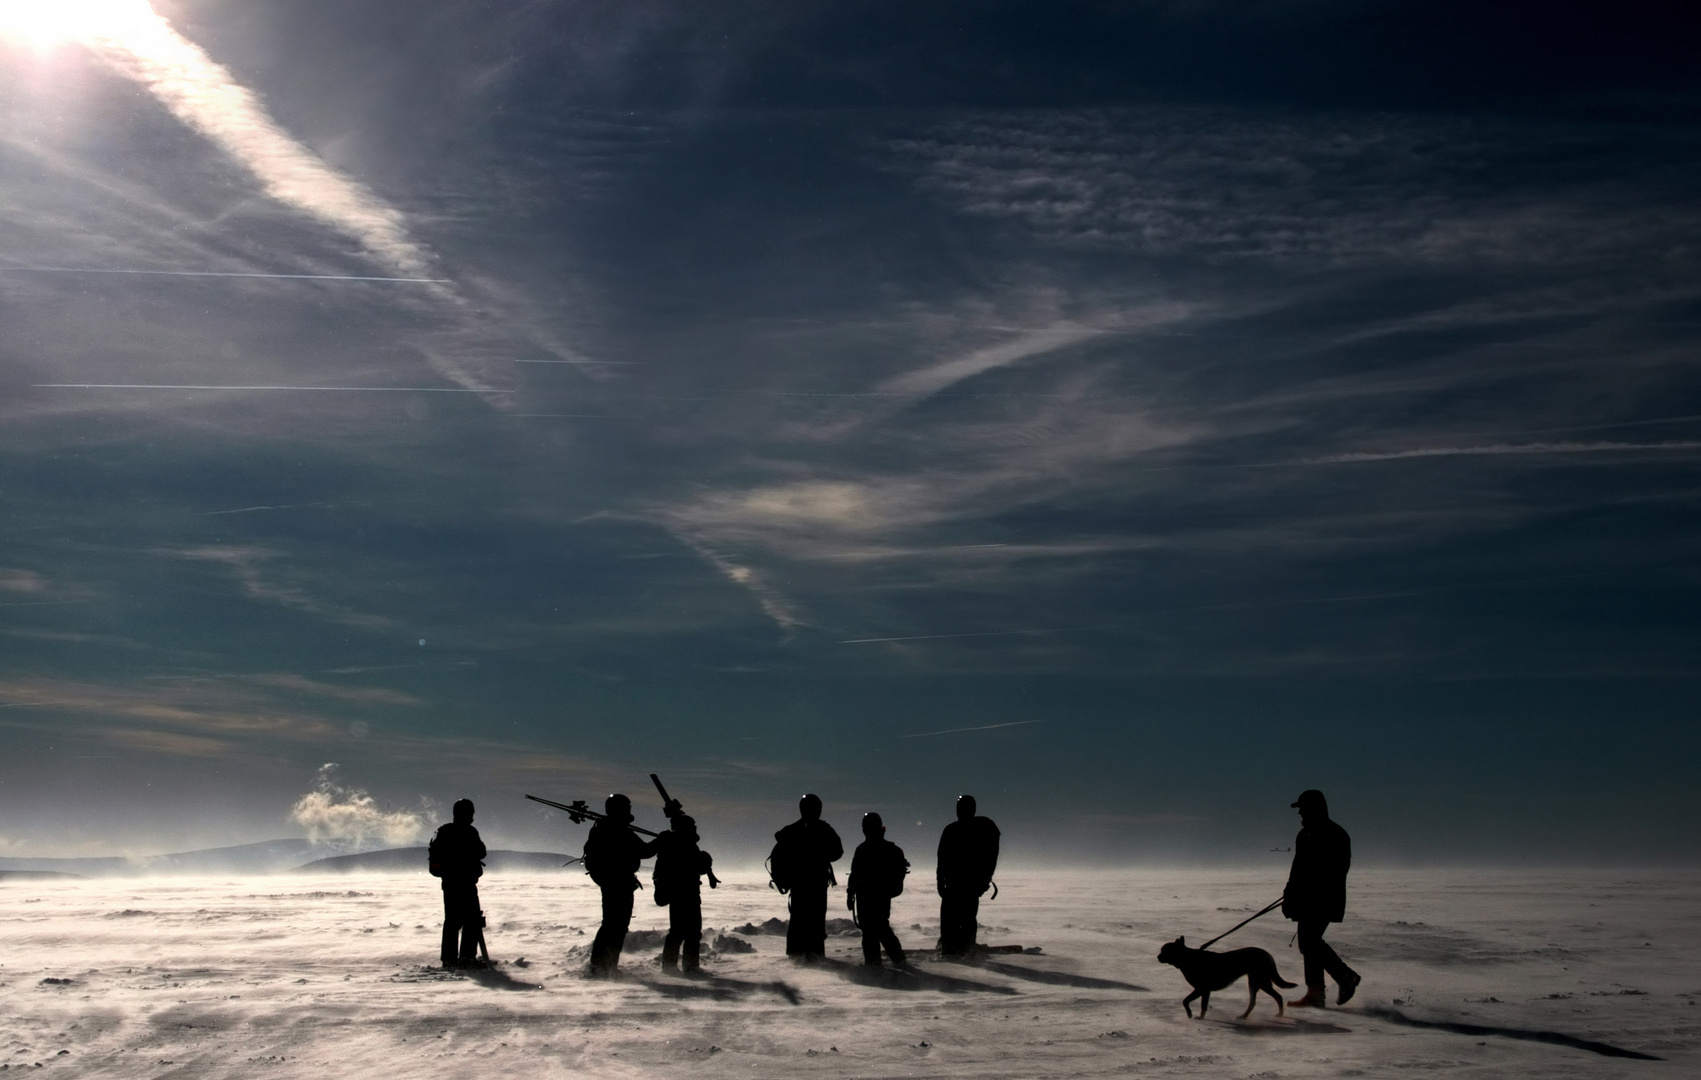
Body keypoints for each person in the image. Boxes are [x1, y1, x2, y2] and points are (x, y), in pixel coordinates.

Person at [1282, 789, 1361, 1007]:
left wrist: (1308, 890)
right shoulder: (1304, 835)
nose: (1300, 814)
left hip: (1325, 900)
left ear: (1315, 809)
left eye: (1303, 809)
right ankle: (1317, 993)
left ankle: (1344, 978)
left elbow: (1338, 871)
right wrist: (1289, 895)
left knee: (1310, 942)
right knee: (1308, 943)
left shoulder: (1335, 834)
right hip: (1306, 900)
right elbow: (1296, 870)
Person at [583, 793, 659, 976]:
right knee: (615, 926)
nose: (629, 810)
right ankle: (605, 967)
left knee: (611, 925)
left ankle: (602, 966)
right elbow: (646, 851)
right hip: (619, 883)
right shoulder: (621, 832)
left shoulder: (604, 828)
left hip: (611, 882)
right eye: (627, 807)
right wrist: (661, 841)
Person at [769, 793, 843, 960]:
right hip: (815, 884)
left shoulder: (791, 830)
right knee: (815, 921)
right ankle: (814, 955)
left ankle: (796, 956)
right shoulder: (823, 829)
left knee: (798, 920)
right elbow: (837, 852)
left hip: (799, 885)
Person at [936, 794, 1000, 957]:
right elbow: (942, 859)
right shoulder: (953, 830)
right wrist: (940, 883)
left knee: (964, 919)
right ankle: (955, 947)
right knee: (958, 919)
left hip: (966, 884)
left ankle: (961, 948)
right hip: (959, 884)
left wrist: (984, 880)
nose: (960, 811)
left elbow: (941, 860)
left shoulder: (963, 830)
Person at [652, 813, 714, 973]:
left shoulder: (675, 843)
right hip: (685, 893)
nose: (694, 829)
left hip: (681, 893)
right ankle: (687, 967)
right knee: (687, 933)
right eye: (692, 827)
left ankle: (673, 966)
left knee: (682, 932)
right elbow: (695, 866)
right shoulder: (684, 844)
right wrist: (705, 860)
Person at [428, 798, 486, 969]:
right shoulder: (469, 832)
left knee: (452, 921)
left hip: (450, 884)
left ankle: (449, 959)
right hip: (464, 883)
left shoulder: (443, 832)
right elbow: (482, 852)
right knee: (471, 920)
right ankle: (466, 958)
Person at [847, 812, 909, 967]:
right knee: (879, 928)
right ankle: (895, 960)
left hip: (871, 895)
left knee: (874, 930)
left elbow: (855, 874)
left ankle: (877, 964)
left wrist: (851, 893)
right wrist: (850, 893)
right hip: (876, 895)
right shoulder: (886, 849)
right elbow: (855, 874)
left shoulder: (863, 849)